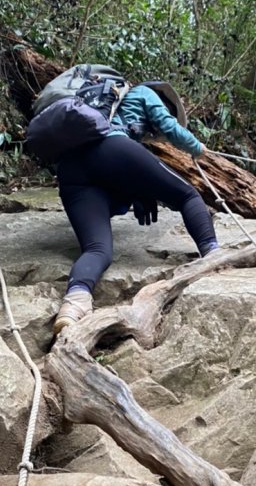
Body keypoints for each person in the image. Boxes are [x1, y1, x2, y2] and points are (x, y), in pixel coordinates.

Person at [53, 72, 219, 335]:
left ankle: (74, 304)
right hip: (111, 146)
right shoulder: (143, 93)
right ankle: (215, 257)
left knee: (97, 249)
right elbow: (169, 128)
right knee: (187, 195)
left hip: (71, 169)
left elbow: (118, 183)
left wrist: (141, 194)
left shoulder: (98, 108)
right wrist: (197, 148)